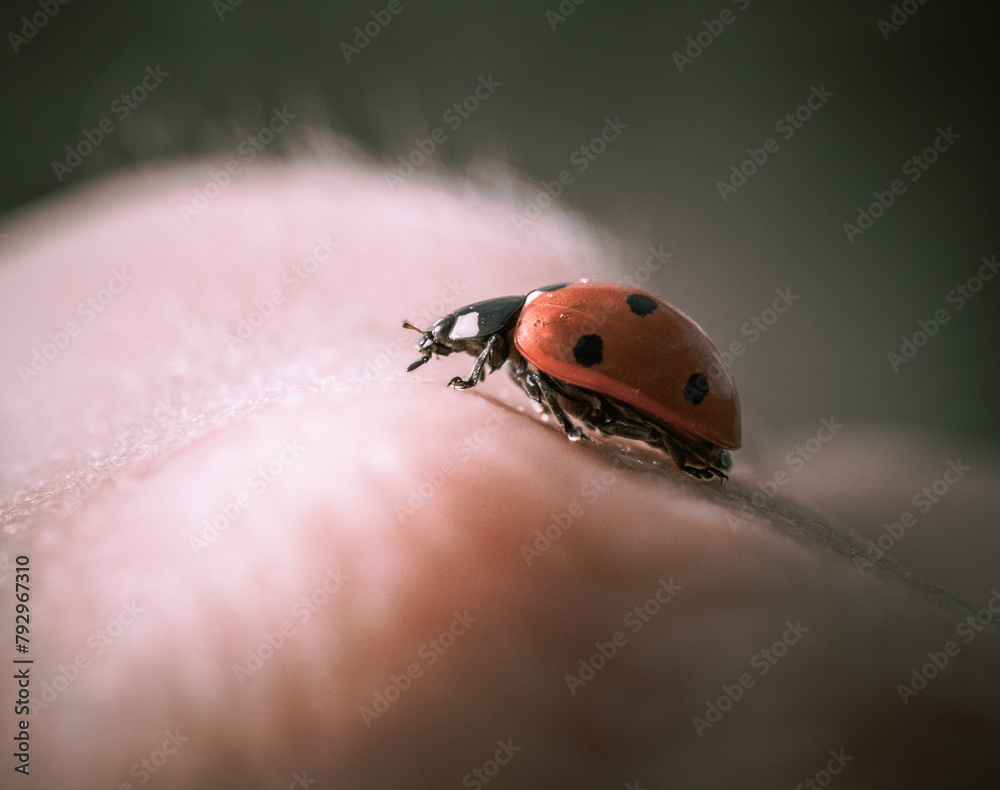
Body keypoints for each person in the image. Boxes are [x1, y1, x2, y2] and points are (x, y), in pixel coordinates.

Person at [1, 152, 997, 789]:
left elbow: (572, 392)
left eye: (450, 342)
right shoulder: (534, 331)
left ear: (475, 334)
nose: (450, 353)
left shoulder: (534, 331)